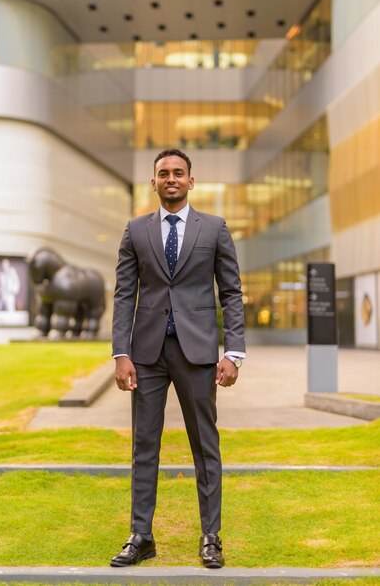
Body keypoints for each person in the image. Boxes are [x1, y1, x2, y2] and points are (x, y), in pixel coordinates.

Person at [111, 149, 246, 569]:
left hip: (199, 353)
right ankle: (141, 536)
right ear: (153, 182)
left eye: (178, 173)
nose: (171, 178)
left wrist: (234, 352)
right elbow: (123, 295)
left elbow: (231, 293)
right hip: (147, 355)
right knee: (143, 446)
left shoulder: (215, 229)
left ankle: (210, 537)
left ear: (191, 181)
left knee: (205, 447)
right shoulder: (135, 231)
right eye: (163, 173)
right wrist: (121, 353)